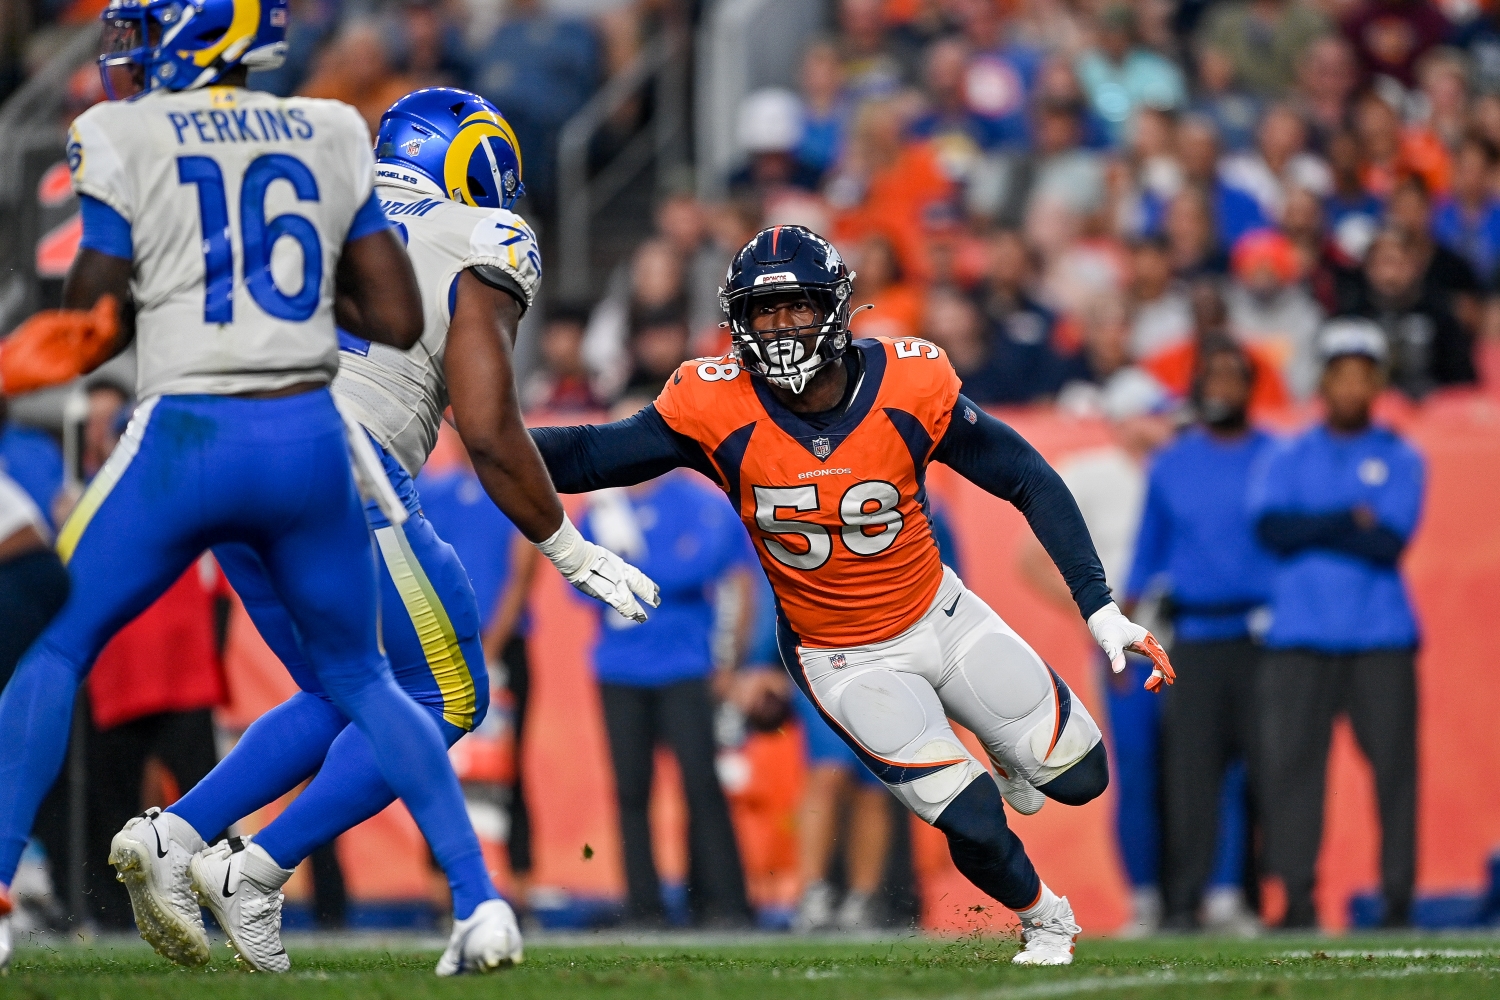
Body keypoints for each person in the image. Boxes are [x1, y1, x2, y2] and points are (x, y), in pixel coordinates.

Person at [529, 225, 1177, 965]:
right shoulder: (711, 403)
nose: (778, 330)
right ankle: (1045, 917)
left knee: (1083, 779)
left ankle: (1003, 752)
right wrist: (485, 433)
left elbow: (1026, 475)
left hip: (941, 614)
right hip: (840, 654)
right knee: (970, 819)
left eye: (796, 308)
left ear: (835, 308)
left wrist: (1100, 608)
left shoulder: (908, 381)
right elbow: (584, 455)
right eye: (761, 313)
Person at [0, 0, 487, 972]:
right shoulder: (331, 126)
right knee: (364, 677)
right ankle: (480, 901)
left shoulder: (122, 130)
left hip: (186, 431)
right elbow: (391, 313)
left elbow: (90, 315)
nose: (127, 55)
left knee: (53, 637)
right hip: (307, 438)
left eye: (146, 33)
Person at [146, 88, 656, 973]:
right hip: (337, 461)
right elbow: (488, 426)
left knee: (343, 688)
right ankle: (256, 872)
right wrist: (568, 549)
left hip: (220, 451)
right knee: (448, 694)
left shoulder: (311, 194)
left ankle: (177, 835)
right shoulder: (480, 236)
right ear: (466, 160)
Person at [1250, 319, 1424, 929]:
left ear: (1376, 383)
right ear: (1323, 381)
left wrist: (1314, 527)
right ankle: (1296, 897)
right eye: (1340, 374)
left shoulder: (1400, 455)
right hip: (1299, 634)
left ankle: (1398, 896)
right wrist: (1347, 519)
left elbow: (1390, 542)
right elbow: (1272, 529)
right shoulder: (1288, 451)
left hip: (1381, 636)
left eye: (1362, 376)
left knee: (1395, 772)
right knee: (1293, 771)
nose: (1351, 386)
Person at [579, 402, 756, 928]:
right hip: (619, 668)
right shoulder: (601, 509)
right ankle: (645, 907)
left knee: (701, 785)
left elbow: (712, 571)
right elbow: (582, 583)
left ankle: (724, 904)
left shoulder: (697, 502)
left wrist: (729, 661)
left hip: (685, 666)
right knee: (631, 792)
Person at [1126, 339, 1277, 931]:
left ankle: (1240, 894)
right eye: (1209, 378)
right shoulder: (1171, 463)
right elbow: (1146, 555)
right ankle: (1187, 899)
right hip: (1193, 633)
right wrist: (1123, 630)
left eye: (1231, 378)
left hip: (1263, 634)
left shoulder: (1276, 457)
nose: (1220, 390)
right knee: (1191, 772)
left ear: (1249, 387)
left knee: (1259, 772)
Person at [418, 443, 541, 912]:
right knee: (438, 764)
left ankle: (521, 887)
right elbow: (420, 565)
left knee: (509, 765)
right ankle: (439, 889)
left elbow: (524, 571)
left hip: (502, 646)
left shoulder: (515, 490)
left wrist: (490, 647)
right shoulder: (433, 491)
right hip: (446, 646)